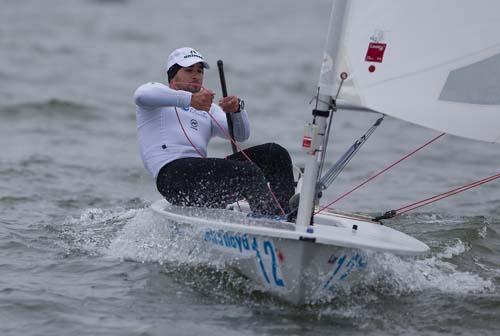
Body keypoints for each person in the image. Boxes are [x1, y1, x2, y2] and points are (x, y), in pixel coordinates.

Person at [134, 47, 295, 217]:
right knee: (248, 173)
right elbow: (140, 95)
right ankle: (270, 220)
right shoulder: (156, 97)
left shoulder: (208, 108)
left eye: (200, 71)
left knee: (274, 154)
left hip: (204, 180)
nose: (196, 75)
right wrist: (189, 100)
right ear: (173, 76)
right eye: (189, 70)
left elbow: (240, 135)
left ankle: (286, 214)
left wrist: (237, 111)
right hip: (174, 179)